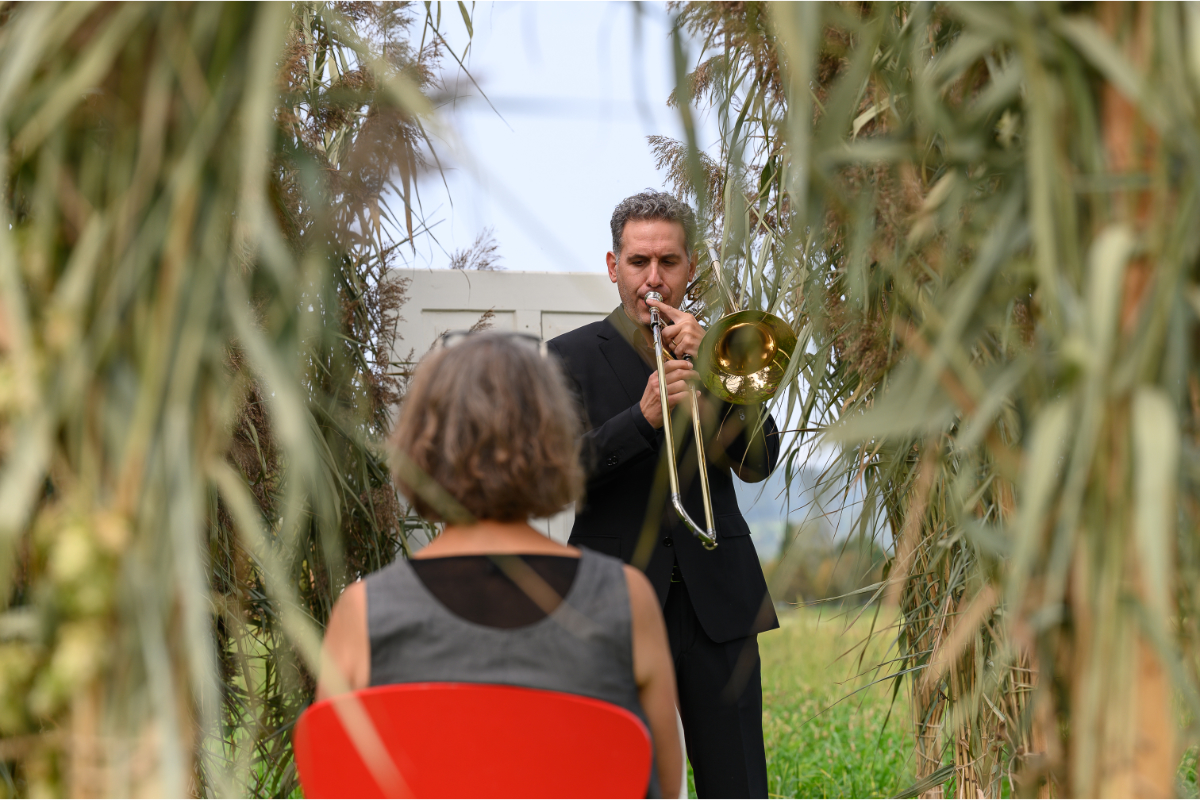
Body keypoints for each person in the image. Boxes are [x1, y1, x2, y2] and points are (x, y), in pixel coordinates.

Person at [317, 332, 683, 799]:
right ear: (551, 442)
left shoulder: (363, 613)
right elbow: (660, 785)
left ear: (422, 445)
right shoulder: (626, 600)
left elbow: (337, 783)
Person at [547, 190, 781, 798]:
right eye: (638, 261)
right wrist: (641, 419)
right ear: (613, 266)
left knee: (739, 786)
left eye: (669, 262)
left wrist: (719, 379)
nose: (654, 278)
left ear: (691, 266)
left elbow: (759, 463)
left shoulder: (720, 351)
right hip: (613, 602)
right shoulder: (568, 356)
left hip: (719, 601)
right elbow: (556, 475)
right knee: (620, 783)